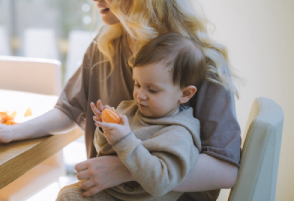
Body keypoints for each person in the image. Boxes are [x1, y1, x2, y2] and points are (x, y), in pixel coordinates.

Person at [0, 0, 241, 200]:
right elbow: (69, 110)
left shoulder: (203, 61)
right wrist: (14, 131)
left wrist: (127, 169)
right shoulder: (105, 45)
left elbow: (226, 169)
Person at [57, 33, 205, 201]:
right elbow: (104, 152)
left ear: (185, 94)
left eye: (152, 90)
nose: (140, 95)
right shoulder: (128, 109)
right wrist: (105, 130)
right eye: (137, 84)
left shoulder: (180, 135)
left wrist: (125, 139)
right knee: (68, 195)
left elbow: (160, 183)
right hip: (111, 192)